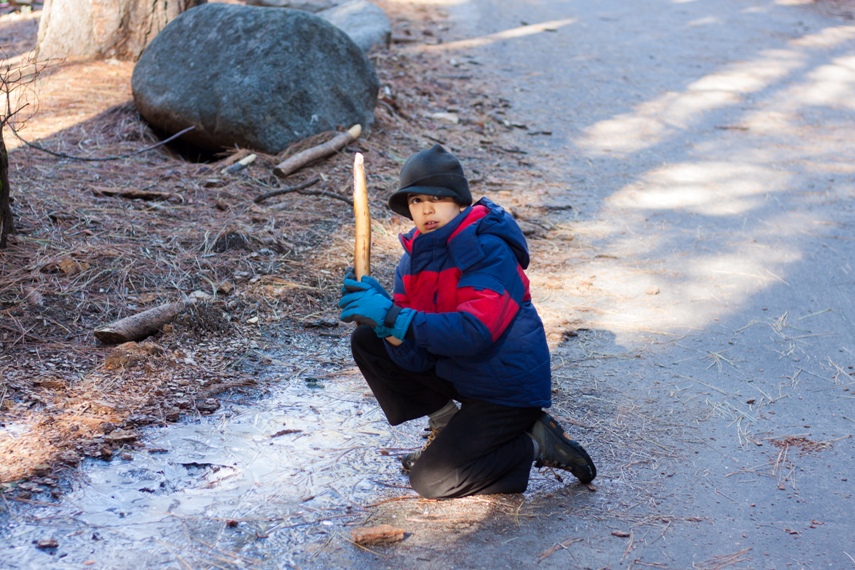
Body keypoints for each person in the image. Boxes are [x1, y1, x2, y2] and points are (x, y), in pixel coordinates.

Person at [338, 144, 596, 499]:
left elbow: (476, 332)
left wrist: (395, 317)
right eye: (415, 201)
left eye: (437, 198)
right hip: (459, 373)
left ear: (459, 201)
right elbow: (416, 358)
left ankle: (536, 444)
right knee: (368, 340)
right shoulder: (410, 264)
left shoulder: (488, 249)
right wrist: (384, 323)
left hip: (506, 390)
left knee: (432, 481)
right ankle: (445, 427)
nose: (426, 209)